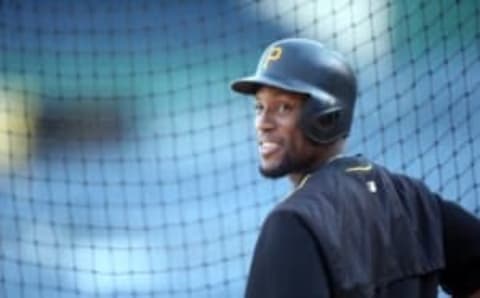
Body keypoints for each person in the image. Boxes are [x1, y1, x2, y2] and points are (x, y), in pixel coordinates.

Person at [230, 38, 480, 298]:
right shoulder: (412, 198)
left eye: (283, 107)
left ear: (326, 118)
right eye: (259, 107)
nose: (263, 123)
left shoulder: (292, 223)